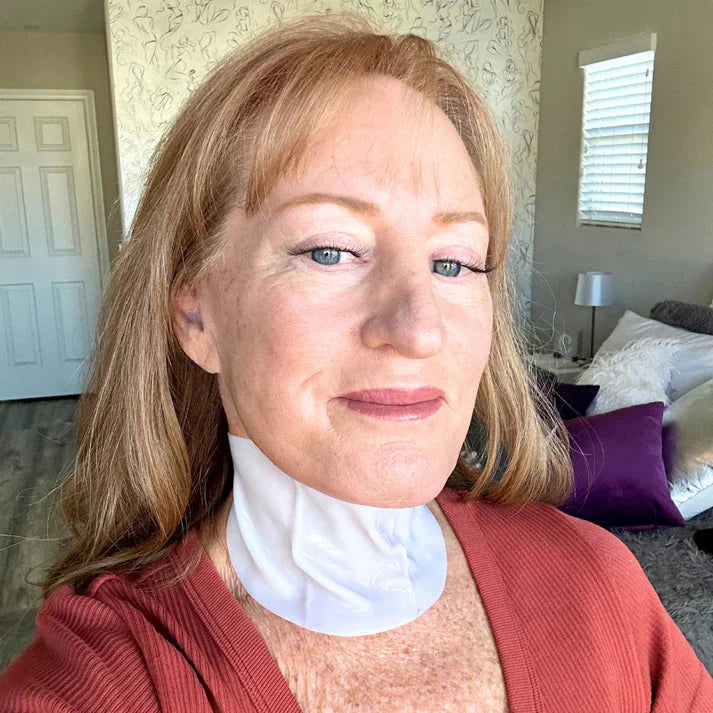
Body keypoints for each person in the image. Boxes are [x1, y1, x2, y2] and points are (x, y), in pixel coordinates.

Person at [1, 12, 711, 712]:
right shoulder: (104, 680)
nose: (419, 329)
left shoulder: (598, 586)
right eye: (329, 250)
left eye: (453, 262)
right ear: (197, 316)